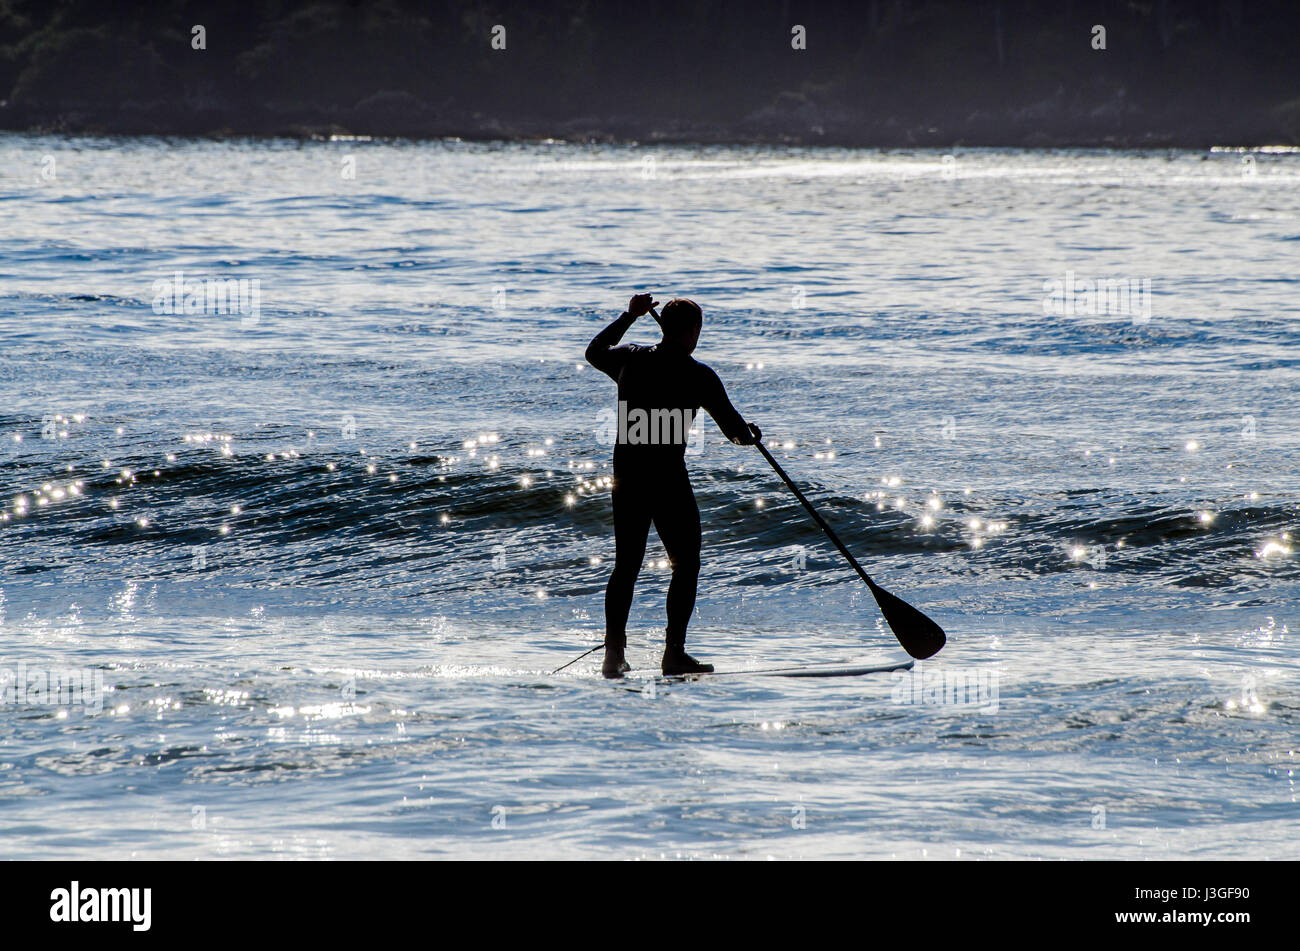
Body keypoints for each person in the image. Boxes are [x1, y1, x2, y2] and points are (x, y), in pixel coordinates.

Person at [585, 293, 761, 678]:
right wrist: (752, 436)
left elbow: (594, 351)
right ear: (693, 331)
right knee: (686, 564)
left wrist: (627, 316)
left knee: (626, 566)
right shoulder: (698, 375)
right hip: (667, 480)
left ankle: (614, 655)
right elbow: (733, 431)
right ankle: (673, 654)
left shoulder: (630, 357)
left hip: (628, 477)